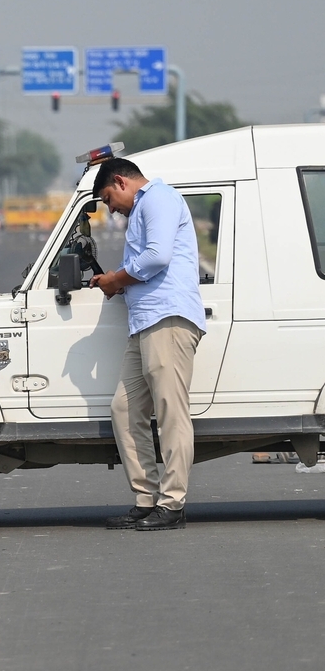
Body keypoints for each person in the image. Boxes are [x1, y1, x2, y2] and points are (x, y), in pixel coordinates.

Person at [89, 157, 206, 532]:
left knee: (171, 412)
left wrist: (116, 279)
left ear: (120, 182)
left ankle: (173, 504)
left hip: (167, 319)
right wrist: (115, 281)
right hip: (145, 324)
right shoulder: (144, 207)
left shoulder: (158, 199)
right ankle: (146, 499)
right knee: (124, 410)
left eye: (108, 198)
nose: (111, 208)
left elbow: (157, 257)